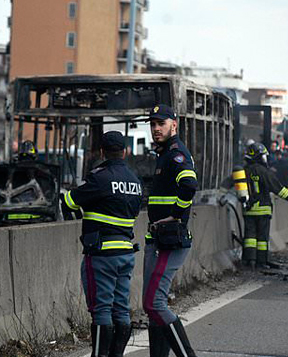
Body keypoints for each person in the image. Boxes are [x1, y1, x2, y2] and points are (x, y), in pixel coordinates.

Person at [61, 131, 143, 357]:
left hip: (101, 255)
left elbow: (68, 202)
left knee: (101, 311)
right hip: (126, 253)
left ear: (101, 152)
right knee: (121, 310)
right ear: (125, 152)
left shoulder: (99, 178)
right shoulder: (135, 182)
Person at [143, 105, 198, 357]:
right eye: (153, 124)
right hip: (157, 239)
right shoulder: (163, 153)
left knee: (154, 303)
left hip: (169, 240)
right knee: (154, 305)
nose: (156, 128)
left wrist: (174, 214)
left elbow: (188, 185)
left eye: (161, 123)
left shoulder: (176, 153)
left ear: (173, 125)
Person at [241, 143, 288, 269]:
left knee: (250, 237)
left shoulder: (244, 170)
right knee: (262, 238)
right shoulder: (263, 171)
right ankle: (261, 262)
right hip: (263, 210)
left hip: (248, 210)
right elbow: (277, 188)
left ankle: (249, 260)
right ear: (259, 157)